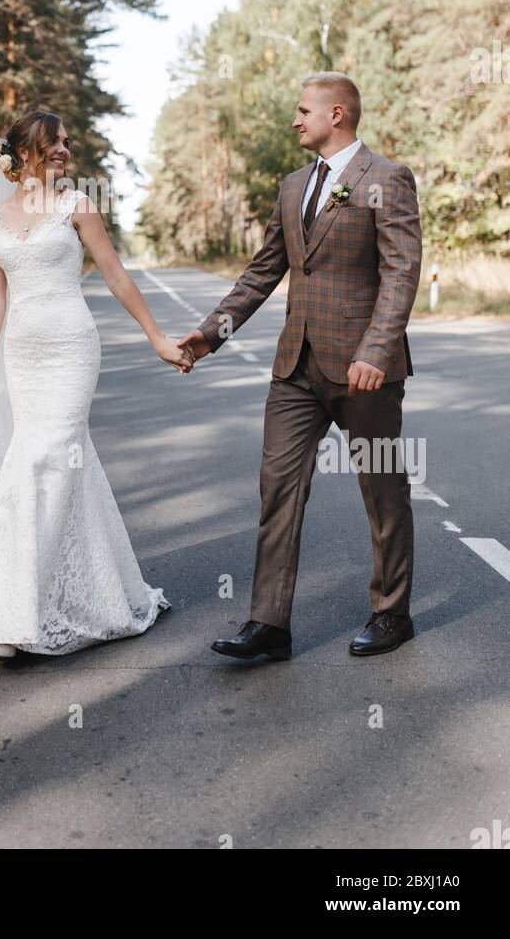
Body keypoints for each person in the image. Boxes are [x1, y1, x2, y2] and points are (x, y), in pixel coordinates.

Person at [178, 72, 422, 660]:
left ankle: (391, 614)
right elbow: (263, 273)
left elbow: (401, 272)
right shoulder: (292, 187)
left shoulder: (387, 178)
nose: (295, 120)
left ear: (336, 113)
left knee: (382, 489)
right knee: (278, 489)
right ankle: (269, 625)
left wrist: (376, 349)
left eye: (302, 110)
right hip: (295, 369)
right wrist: (210, 336)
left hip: (365, 370)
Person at [0, 108, 192, 659]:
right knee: (38, 463)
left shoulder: (77, 206)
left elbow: (115, 273)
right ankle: (90, 592)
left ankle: (12, 615)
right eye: (53, 142)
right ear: (25, 151)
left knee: (51, 455)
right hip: (24, 352)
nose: (64, 150)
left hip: (73, 346)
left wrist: (156, 337)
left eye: (66, 142)